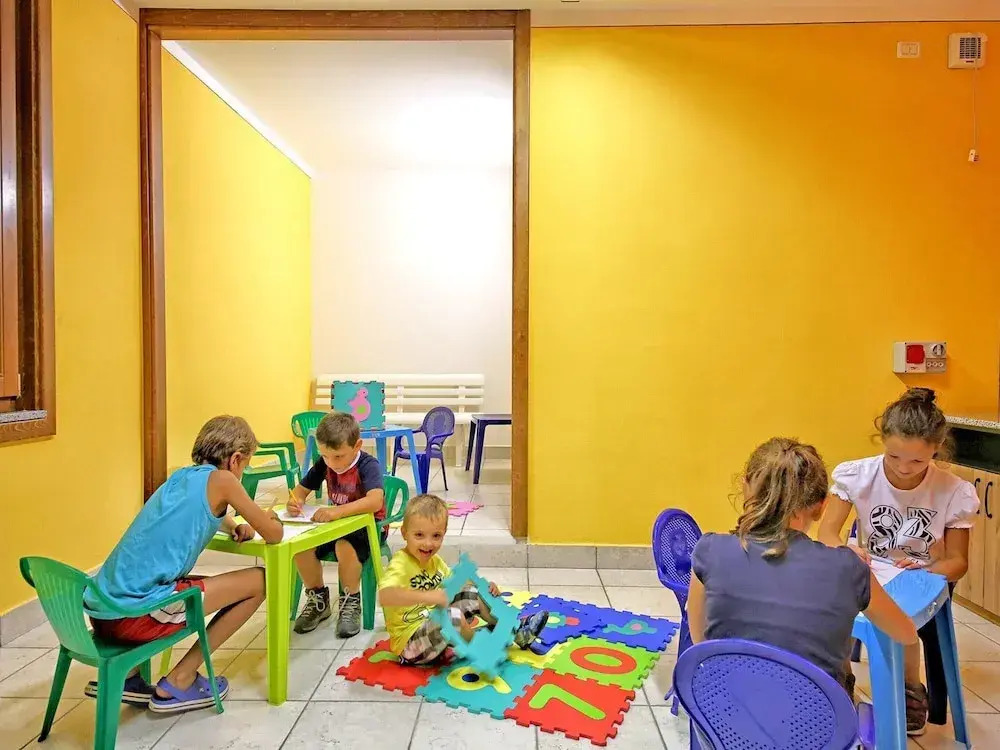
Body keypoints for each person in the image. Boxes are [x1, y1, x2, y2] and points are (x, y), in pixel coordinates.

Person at [687, 438, 917, 699]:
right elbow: (906, 634)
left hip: (724, 714)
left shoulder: (709, 550)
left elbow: (700, 641)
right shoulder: (849, 567)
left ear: (745, 487)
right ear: (821, 508)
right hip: (819, 721)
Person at [84, 415, 284, 713]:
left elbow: (205, 507)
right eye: (246, 465)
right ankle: (181, 678)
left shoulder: (181, 477)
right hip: (135, 616)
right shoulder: (225, 480)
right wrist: (272, 517)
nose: (243, 471)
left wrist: (232, 526)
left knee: (173, 579)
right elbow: (273, 535)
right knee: (261, 581)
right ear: (235, 459)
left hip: (104, 612)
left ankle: (128, 676)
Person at [818, 387, 979, 735]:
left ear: (937, 448)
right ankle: (841, 681)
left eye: (918, 461)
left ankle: (910, 690)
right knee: (832, 607)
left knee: (899, 617)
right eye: (893, 457)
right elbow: (827, 533)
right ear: (882, 440)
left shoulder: (953, 490)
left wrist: (930, 568)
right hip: (870, 566)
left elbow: (957, 561)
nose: (904, 469)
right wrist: (846, 550)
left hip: (919, 574)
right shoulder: (857, 475)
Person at [377, 494, 549, 664]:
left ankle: (518, 631)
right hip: (410, 645)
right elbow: (385, 596)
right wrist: (429, 596)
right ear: (404, 533)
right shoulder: (400, 563)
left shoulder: (434, 561)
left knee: (472, 594)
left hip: (434, 630)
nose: (428, 543)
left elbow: (456, 583)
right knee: (453, 617)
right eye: (419, 535)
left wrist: (484, 588)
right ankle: (483, 650)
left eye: (436, 536)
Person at [286, 411, 384, 637]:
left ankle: (350, 600)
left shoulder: (368, 465)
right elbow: (300, 491)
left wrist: (337, 512)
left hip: (367, 528)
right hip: (335, 526)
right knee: (301, 545)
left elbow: (375, 501)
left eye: (338, 456)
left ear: (357, 446)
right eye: (325, 456)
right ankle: (318, 598)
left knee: (344, 546)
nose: (331, 463)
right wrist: (295, 501)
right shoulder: (326, 463)